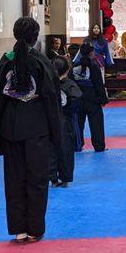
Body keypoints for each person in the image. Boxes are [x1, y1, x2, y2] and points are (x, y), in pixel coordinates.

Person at [0, 17, 61, 244]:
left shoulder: (6, 61)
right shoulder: (42, 62)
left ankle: (18, 230)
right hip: (37, 129)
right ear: (36, 36)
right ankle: (34, 230)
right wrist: (57, 136)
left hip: (10, 129)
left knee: (14, 180)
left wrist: (0, 136)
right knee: (37, 179)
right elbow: (52, 101)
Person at [49, 56, 82, 188]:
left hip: (50, 120)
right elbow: (77, 100)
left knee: (51, 149)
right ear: (68, 69)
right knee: (65, 149)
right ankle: (65, 177)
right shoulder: (70, 85)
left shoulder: (48, 84)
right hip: (64, 120)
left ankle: (52, 178)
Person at [71, 42, 108, 152]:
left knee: (78, 123)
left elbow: (71, 84)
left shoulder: (74, 67)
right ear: (91, 53)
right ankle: (99, 146)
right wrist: (103, 98)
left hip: (78, 99)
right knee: (96, 124)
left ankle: (76, 144)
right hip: (93, 99)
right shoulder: (94, 66)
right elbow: (99, 84)